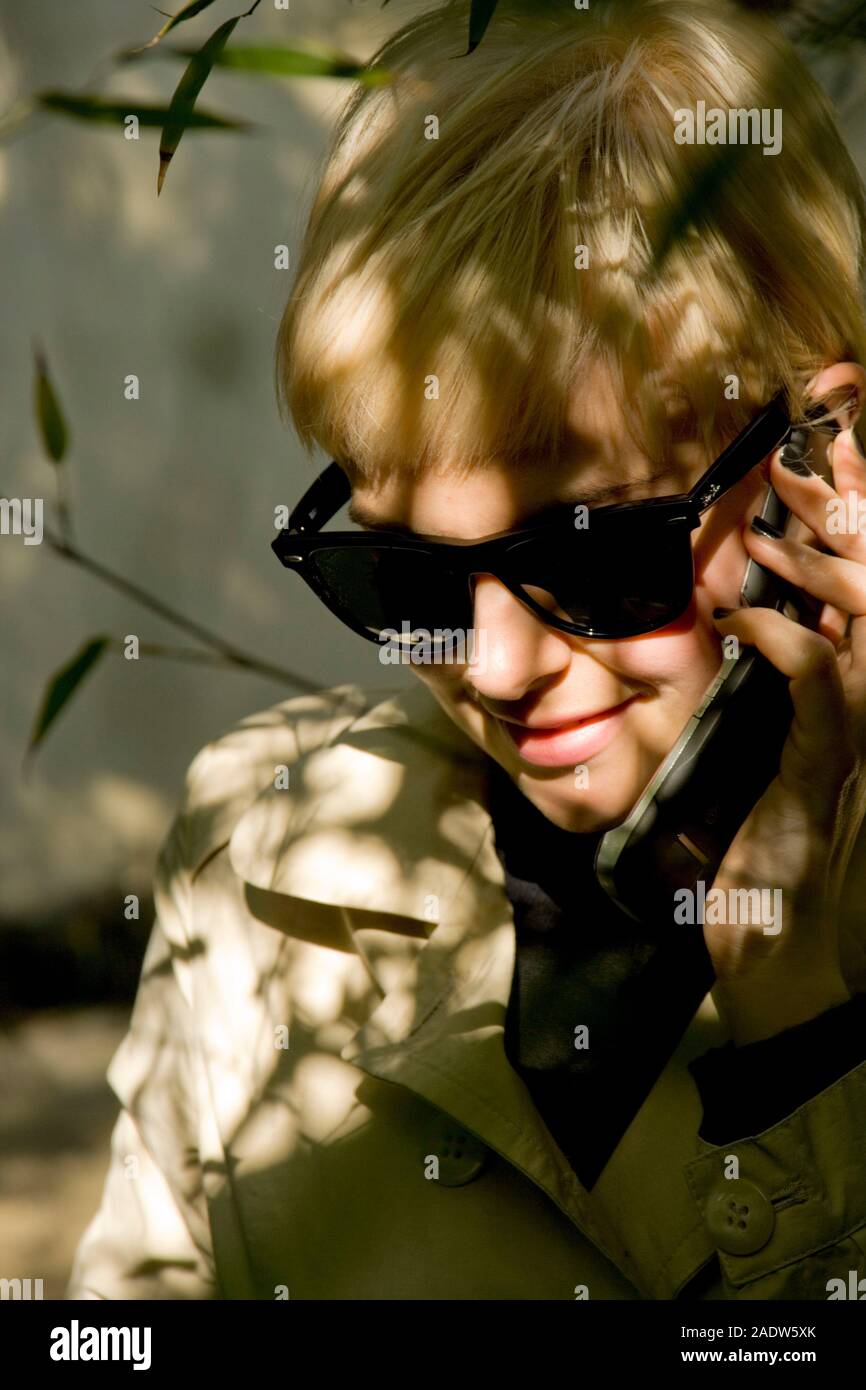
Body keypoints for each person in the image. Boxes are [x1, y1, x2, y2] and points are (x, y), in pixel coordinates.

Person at [68, 0, 866, 1300]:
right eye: (404, 571)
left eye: (592, 552)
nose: (491, 664)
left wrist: (801, 1034)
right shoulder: (266, 842)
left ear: (818, 445)